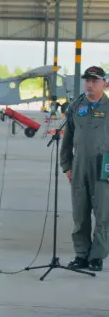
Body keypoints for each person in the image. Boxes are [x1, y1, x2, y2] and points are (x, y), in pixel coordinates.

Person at [61, 65, 109, 272]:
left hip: (104, 165)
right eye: (87, 80)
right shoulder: (76, 106)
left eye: (94, 81)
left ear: (105, 84)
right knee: (80, 213)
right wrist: (67, 165)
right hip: (79, 165)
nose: (89, 84)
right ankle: (81, 254)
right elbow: (68, 138)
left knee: (103, 214)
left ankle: (97, 256)